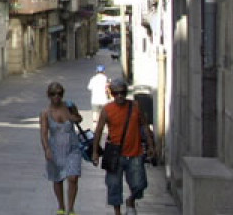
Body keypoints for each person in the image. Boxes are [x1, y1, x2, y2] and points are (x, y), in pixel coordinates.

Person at [92, 79, 156, 215]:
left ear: (126, 93)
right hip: (115, 154)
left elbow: (144, 126)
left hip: (135, 154)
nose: (119, 96)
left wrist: (150, 145)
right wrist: (95, 152)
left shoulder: (135, 106)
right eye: (116, 93)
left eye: (122, 92)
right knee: (114, 186)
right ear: (111, 93)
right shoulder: (107, 110)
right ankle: (118, 213)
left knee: (140, 185)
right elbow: (98, 131)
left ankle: (131, 200)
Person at [40, 82, 83, 215]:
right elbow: (43, 132)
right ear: (49, 95)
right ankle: (61, 206)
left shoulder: (69, 106)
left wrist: (74, 117)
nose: (57, 96)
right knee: (57, 178)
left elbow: (79, 119)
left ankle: (71, 208)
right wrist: (46, 149)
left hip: (72, 147)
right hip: (55, 148)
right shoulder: (45, 113)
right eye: (53, 94)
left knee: (73, 177)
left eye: (59, 93)